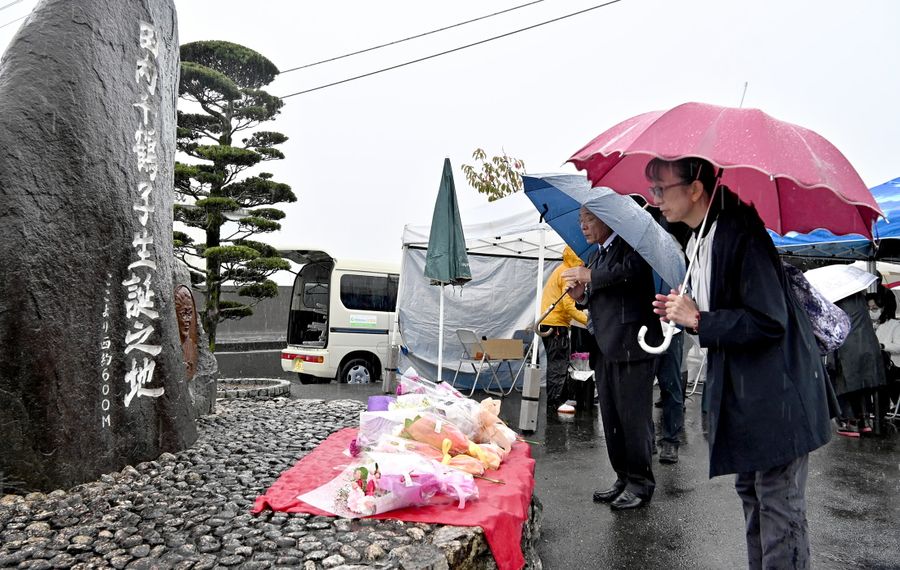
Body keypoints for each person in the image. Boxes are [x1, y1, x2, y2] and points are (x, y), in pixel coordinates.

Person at [649, 156, 834, 569]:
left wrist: (698, 318)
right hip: (750, 399)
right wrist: (688, 312)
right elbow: (724, 315)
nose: (655, 198)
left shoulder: (740, 231)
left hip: (777, 399)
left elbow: (769, 319)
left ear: (696, 188)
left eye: (662, 188)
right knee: (755, 498)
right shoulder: (704, 235)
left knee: (778, 508)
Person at [562, 207, 662, 511]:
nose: (583, 226)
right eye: (580, 220)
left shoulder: (632, 246)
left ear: (607, 218)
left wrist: (590, 275)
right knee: (613, 419)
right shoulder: (597, 255)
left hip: (633, 345)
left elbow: (632, 274)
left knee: (633, 419)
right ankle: (623, 477)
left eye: (588, 219)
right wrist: (581, 296)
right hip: (605, 346)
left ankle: (641, 483)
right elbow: (604, 298)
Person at [539, 246, 589, 414]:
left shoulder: (562, 269)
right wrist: (590, 321)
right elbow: (568, 306)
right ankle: (556, 402)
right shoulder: (568, 273)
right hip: (556, 325)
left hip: (551, 322)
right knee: (558, 363)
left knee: (557, 361)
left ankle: (559, 399)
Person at [829, 291, 886, 437]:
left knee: (846, 384)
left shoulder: (837, 301)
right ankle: (865, 422)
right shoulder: (859, 298)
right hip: (869, 345)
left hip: (849, 348)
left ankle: (852, 423)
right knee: (865, 384)